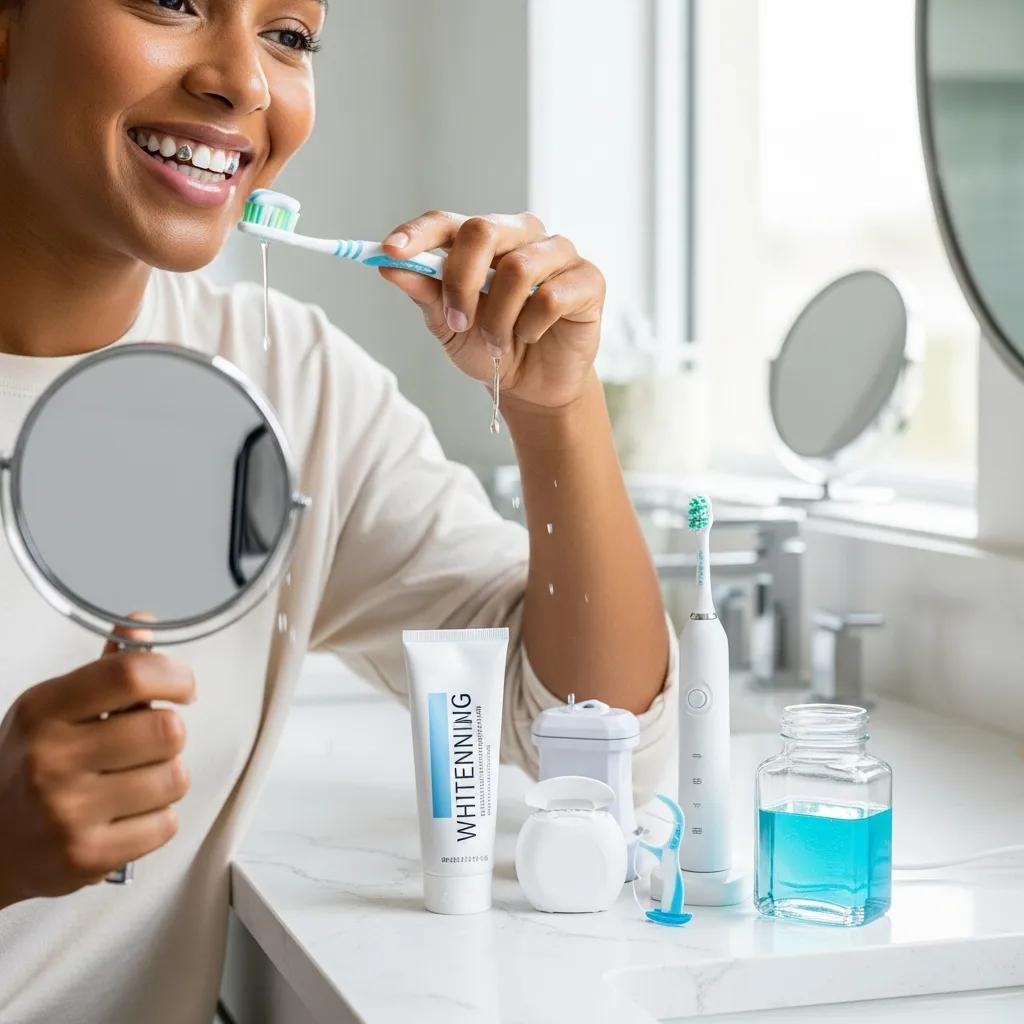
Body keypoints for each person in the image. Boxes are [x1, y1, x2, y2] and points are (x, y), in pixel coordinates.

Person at [0, 2, 677, 1021]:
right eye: (172, 0)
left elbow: (590, 733)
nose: (244, 82)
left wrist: (556, 412)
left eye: (289, 36)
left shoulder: (289, 386)